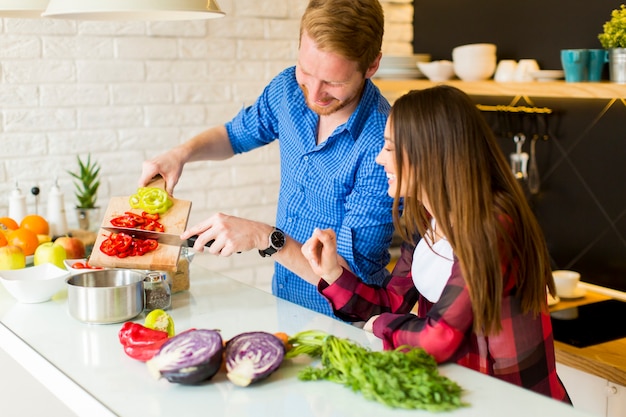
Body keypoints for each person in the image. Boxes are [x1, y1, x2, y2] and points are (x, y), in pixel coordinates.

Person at [301, 85, 571, 402]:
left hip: (516, 403)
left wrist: (384, 326)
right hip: (464, 395)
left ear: (430, 151)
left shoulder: (491, 226)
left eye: (389, 148)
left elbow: (439, 336)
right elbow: (391, 303)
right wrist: (333, 273)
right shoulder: (424, 219)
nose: (379, 159)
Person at [138, 0, 394, 318]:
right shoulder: (288, 89)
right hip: (284, 301)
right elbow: (234, 136)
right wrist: (181, 154)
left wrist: (264, 237)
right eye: (307, 71)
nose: (314, 93)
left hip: (346, 323)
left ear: (371, 66)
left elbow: (348, 284)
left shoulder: (384, 146)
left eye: (334, 82)